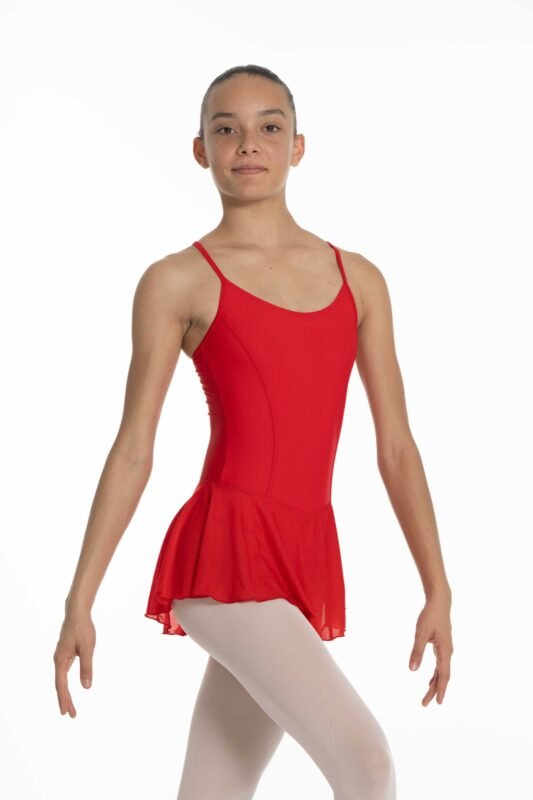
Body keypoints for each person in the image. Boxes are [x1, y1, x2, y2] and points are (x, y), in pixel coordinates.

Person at [53, 64, 453, 800]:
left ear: (297, 146)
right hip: (226, 555)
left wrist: (438, 587)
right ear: (200, 149)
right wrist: (80, 598)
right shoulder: (179, 279)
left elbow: (396, 447)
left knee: (215, 788)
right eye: (225, 128)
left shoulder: (358, 279)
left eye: (269, 127)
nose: (248, 144)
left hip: (300, 556)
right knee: (366, 763)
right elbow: (134, 448)